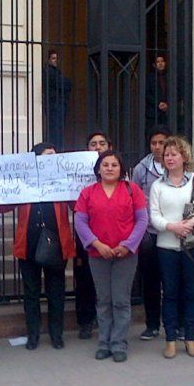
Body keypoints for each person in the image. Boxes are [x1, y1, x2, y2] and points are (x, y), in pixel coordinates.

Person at [149, 135, 194, 359]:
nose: (169, 158)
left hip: (193, 246)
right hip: (166, 246)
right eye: (166, 155)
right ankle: (170, 339)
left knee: (191, 292)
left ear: (184, 156)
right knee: (169, 293)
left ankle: (190, 337)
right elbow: (154, 216)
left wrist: (190, 224)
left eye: (174, 154)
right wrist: (172, 227)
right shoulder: (157, 186)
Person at [74, 150, 148, 362]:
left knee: (121, 300)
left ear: (121, 168)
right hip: (98, 254)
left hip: (125, 255)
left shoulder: (132, 190)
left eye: (114, 165)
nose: (109, 168)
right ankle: (104, 343)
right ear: (98, 169)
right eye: (105, 165)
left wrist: (128, 245)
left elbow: (142, 220)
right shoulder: (88, 193)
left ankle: (119, 343)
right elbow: (80, 221)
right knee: (104, 299)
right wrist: (96, 244)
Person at [11, 142, 77, 350]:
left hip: (56, 244)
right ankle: (33, 334)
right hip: (28, 243)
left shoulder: (63, 180)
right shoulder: (23, 181)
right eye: (48, 155)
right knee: (31, 292)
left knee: (56, 291)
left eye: (54, 155)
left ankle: (56, 334)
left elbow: (78, 204)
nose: (52, 159)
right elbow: (4, 204)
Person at [131, 124, 171, 340]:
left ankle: (175, 324)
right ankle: (152, 324)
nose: (157, 147)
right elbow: (134, 198)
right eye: (154, 143)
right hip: (149, 232)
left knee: (172, 280)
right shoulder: (140, 169)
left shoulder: (177, 166)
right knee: (151, 281)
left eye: (162, 142)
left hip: (172, 232)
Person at [74, 130, 112, 339]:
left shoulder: (116, 169)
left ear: (109, 147)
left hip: (112, 233)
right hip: (86, 233)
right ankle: (86, 320)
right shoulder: (76, 170)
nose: (98, 147)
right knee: (85, 278)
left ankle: (109, 319)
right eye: (93, 143)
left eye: (102, 143)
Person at [43, 49, 71, 147]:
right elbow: (64, 84)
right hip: (55, 104)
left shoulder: (54, 71)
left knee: (58, 129)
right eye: (53, 58)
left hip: (57, 104)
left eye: (56, 58)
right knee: (56, 130)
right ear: (48, 59)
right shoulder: (49, 71)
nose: (55, 61)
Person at [145, 54, 170, 130]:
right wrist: (158, 103)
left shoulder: (170, 77)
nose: (160, 63)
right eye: (158, 62)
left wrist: (168, 104)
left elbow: (176, 93)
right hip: (153, 113)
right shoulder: (150, 78)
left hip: (167, 113)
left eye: (162, 61)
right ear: (154, 65)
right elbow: (147, 93)